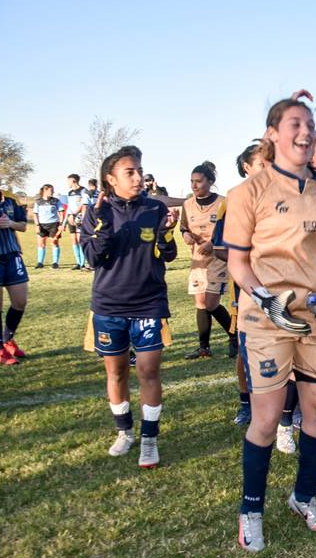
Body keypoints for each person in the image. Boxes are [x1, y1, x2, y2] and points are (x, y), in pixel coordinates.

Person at [224, 96, 316, 553]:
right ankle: (251, 508)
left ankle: (304, 496)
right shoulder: (248, 193)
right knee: (265, 419)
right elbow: (238, 262)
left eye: (311, 124)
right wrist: (264, 297)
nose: (305, 131)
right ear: (273, 134)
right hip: (265, 321)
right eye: (295, 123)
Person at [81, 146, 178, 468]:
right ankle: (124, 432)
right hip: (108, 305)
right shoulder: (96, 212)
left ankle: (149, 440)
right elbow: (93, 257)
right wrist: (103, 226)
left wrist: (165, 234)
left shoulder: (154, 208)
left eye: (139, 170)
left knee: (149, 371)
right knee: (117, 371)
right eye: (130, 172)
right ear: (111, 179)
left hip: (149, 303)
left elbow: (168, 254)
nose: (138, 178)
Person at [213, 141, 272, 426]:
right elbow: (219, 247)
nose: (267, 169)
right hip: (248, 290)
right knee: (246, 349)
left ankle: (288, 407)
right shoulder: (234, 199)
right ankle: (246, 403)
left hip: (284, 287)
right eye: (262, 164)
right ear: (247, 167)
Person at [180, 161, 235, 359]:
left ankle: (234, 335)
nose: (194, 185)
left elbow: (232, 230)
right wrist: (186, 235)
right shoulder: (187, 204)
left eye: (198, 181)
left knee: (212, 303)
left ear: (210, 182)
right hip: (197, 259)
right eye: (191, 181)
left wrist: (212, 243)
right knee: (201, 303)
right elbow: (184, 227)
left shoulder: (224, 202)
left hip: (218, 258)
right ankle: (204, 348)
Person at [0, 162, 30, 365]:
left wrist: (11, 224)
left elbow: (23, 225)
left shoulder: (10, 199)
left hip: (12, 254)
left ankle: (8, 338)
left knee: (20, 301)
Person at [33, 184, 63, 269]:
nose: (53, 192)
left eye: (53, 190)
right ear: (45, 191)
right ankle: (40, 263)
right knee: (41, 243)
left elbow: (61, 212)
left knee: (54, 243)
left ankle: (55, 263)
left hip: (54, 224)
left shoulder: (56, 201)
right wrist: (37, 225)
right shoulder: (38, 202)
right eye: (51, 190)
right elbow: (35, 214)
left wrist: (61, 224)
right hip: (42, 225)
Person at [66, 173, 91, 270]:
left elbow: (83, 204)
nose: (67, 183)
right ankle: (78, 262)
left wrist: (75, 214)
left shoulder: (83, 190)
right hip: (71, 218)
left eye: (68, 180)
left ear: (73, 180)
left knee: (80, 240)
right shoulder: (69, 192)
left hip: (79, 218)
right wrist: (68, 216)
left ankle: (82, 263)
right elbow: (69, 206)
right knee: (74, 240)